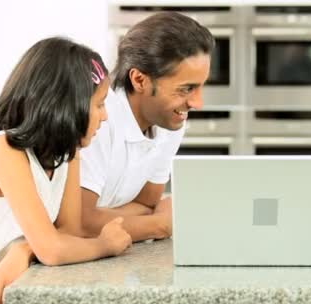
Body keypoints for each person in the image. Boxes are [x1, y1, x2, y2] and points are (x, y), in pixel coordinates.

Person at [0, 37, 131, 304]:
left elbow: (68, 234)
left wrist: (25, 249)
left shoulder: (68, 153)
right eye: (98, 105)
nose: (105, 116)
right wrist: (105, 245)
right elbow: (54, 248)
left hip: (11, 300)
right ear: (65, 103)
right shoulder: (5, 151)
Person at [78, 11, 214, 243]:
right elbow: (80, 223)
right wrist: (160, 224)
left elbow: (145, 203)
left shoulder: (169, 121)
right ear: (140, 80)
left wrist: (105, 219)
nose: (197, 103)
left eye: (201, 87)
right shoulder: (98, 120)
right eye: (186, 88)